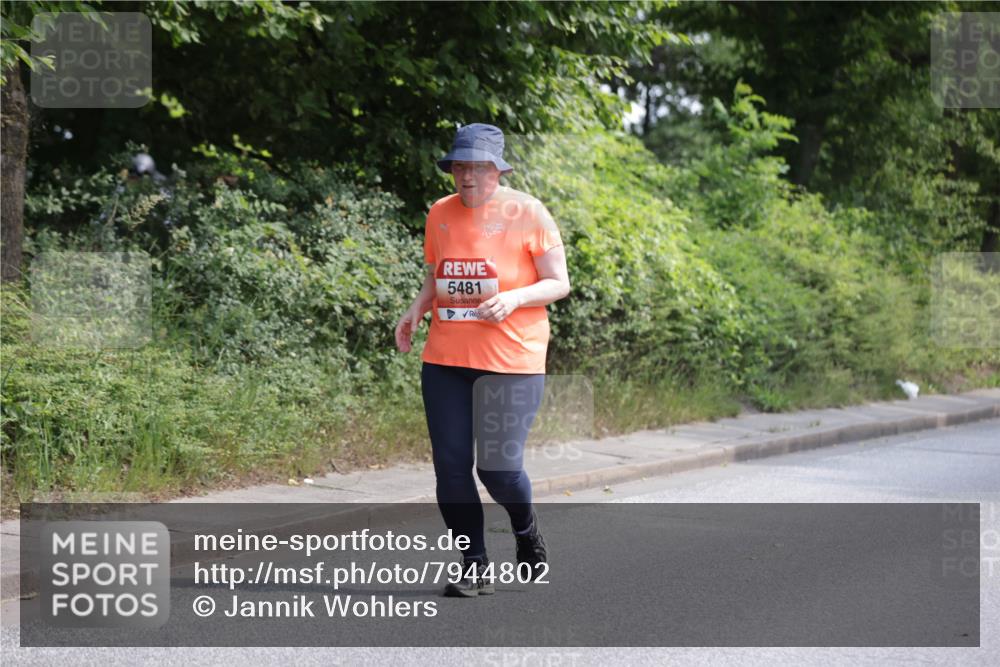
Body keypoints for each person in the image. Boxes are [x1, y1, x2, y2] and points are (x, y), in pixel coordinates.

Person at [394, 123, 570, 597]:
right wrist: (416, 309)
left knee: (497, 469)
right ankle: (474, 563)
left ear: (497, 169)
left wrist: (513, 300)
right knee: (450, 466)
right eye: (459, 167)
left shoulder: (528, 211)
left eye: (477, 167)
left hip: (512, 358)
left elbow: (558, 282)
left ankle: (525, 527)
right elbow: (438, 277)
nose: (467, 176)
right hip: (446, 358)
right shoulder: (440, 214)